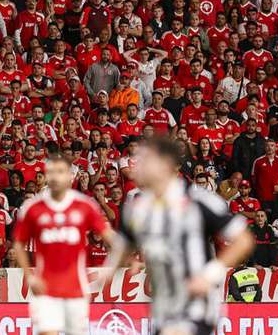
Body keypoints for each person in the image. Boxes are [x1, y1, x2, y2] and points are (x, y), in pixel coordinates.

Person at [102, 138, 254, 335]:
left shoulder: (199, 200)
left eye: (146, 160)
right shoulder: (137, 206)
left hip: (196, 303)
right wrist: (122, 262)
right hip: (162, 305)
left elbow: (244, 240)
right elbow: (123, 246)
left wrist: (209, 274)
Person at [12, 154, 114, 335]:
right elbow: (18, 244)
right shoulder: (32, 207)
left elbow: (111, 237)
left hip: (76, 289)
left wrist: (116, 265)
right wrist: (29, 276)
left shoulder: (84, 205)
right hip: (45, 289)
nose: (55, 177)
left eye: (60, 172)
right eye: (50, 172)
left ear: (70, 176)